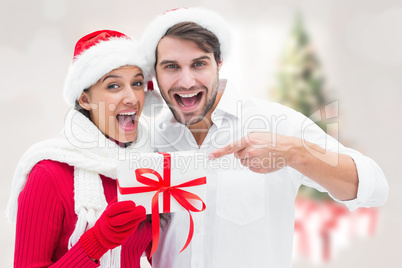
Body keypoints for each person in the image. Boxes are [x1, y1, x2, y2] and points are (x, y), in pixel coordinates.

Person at [140, 7, 389, 268]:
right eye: (171, 67)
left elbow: (375, 188)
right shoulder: (148, 142)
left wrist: (295, 153)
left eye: (199, 63)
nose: (187, 81)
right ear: (155, 74)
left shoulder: (277, 123)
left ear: (219, 63)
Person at [6, 30, 156, 267]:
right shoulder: (49, 173)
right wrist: (97, 241)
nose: (132, 98)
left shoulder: (148, 167)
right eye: (114, 86)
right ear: (85, 99)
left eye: (137, 83)